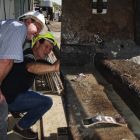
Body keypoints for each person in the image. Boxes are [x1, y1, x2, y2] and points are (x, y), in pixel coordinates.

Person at [1, 32, 60, 139]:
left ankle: (16, 111)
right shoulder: (28, 56)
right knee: (47, 101)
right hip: (10, 99)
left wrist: (55, 64)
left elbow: (42, 65)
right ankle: (21, 127)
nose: (48, 51)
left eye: (50, 49)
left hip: (10, 93)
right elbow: (30, 68)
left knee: (37, 94)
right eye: (46, 46)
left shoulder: (30, 54)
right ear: (37, 44)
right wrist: (54, 68)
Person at [0, 10, 45, 140]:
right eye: (38, 27)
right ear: (29, 21)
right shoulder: (19, 28)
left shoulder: (8, 25)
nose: (37, 33)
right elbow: (5, 61)